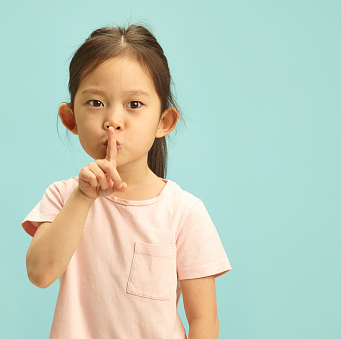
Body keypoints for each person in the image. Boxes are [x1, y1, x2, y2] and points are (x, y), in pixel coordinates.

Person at [22, 24, 231, 339]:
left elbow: (204, 321)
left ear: (164, 121)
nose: (113, 121)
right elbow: (39, 274)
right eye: (96, 103)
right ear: (71, 118)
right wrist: (82, 197)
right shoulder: (63, 197)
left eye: (134, 104)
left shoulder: (184, 213)